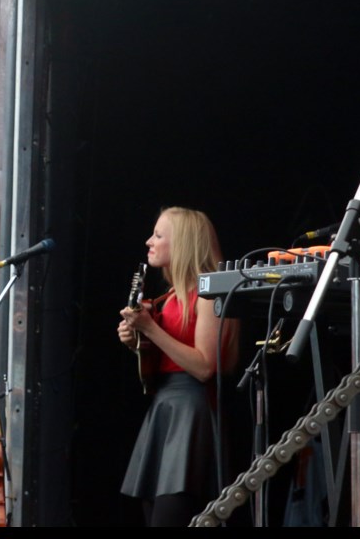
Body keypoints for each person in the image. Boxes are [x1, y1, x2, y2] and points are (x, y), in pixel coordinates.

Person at [117, 206, 239, 526]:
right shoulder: (170, 297)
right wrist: (138, 343)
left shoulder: (211, 293)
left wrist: (149, 330)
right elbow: (164, 357)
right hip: (166, 406)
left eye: (158, 235)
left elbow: (204, 367)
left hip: (192, 410)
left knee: (172, 515)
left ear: (182, 243)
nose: (149, 241)